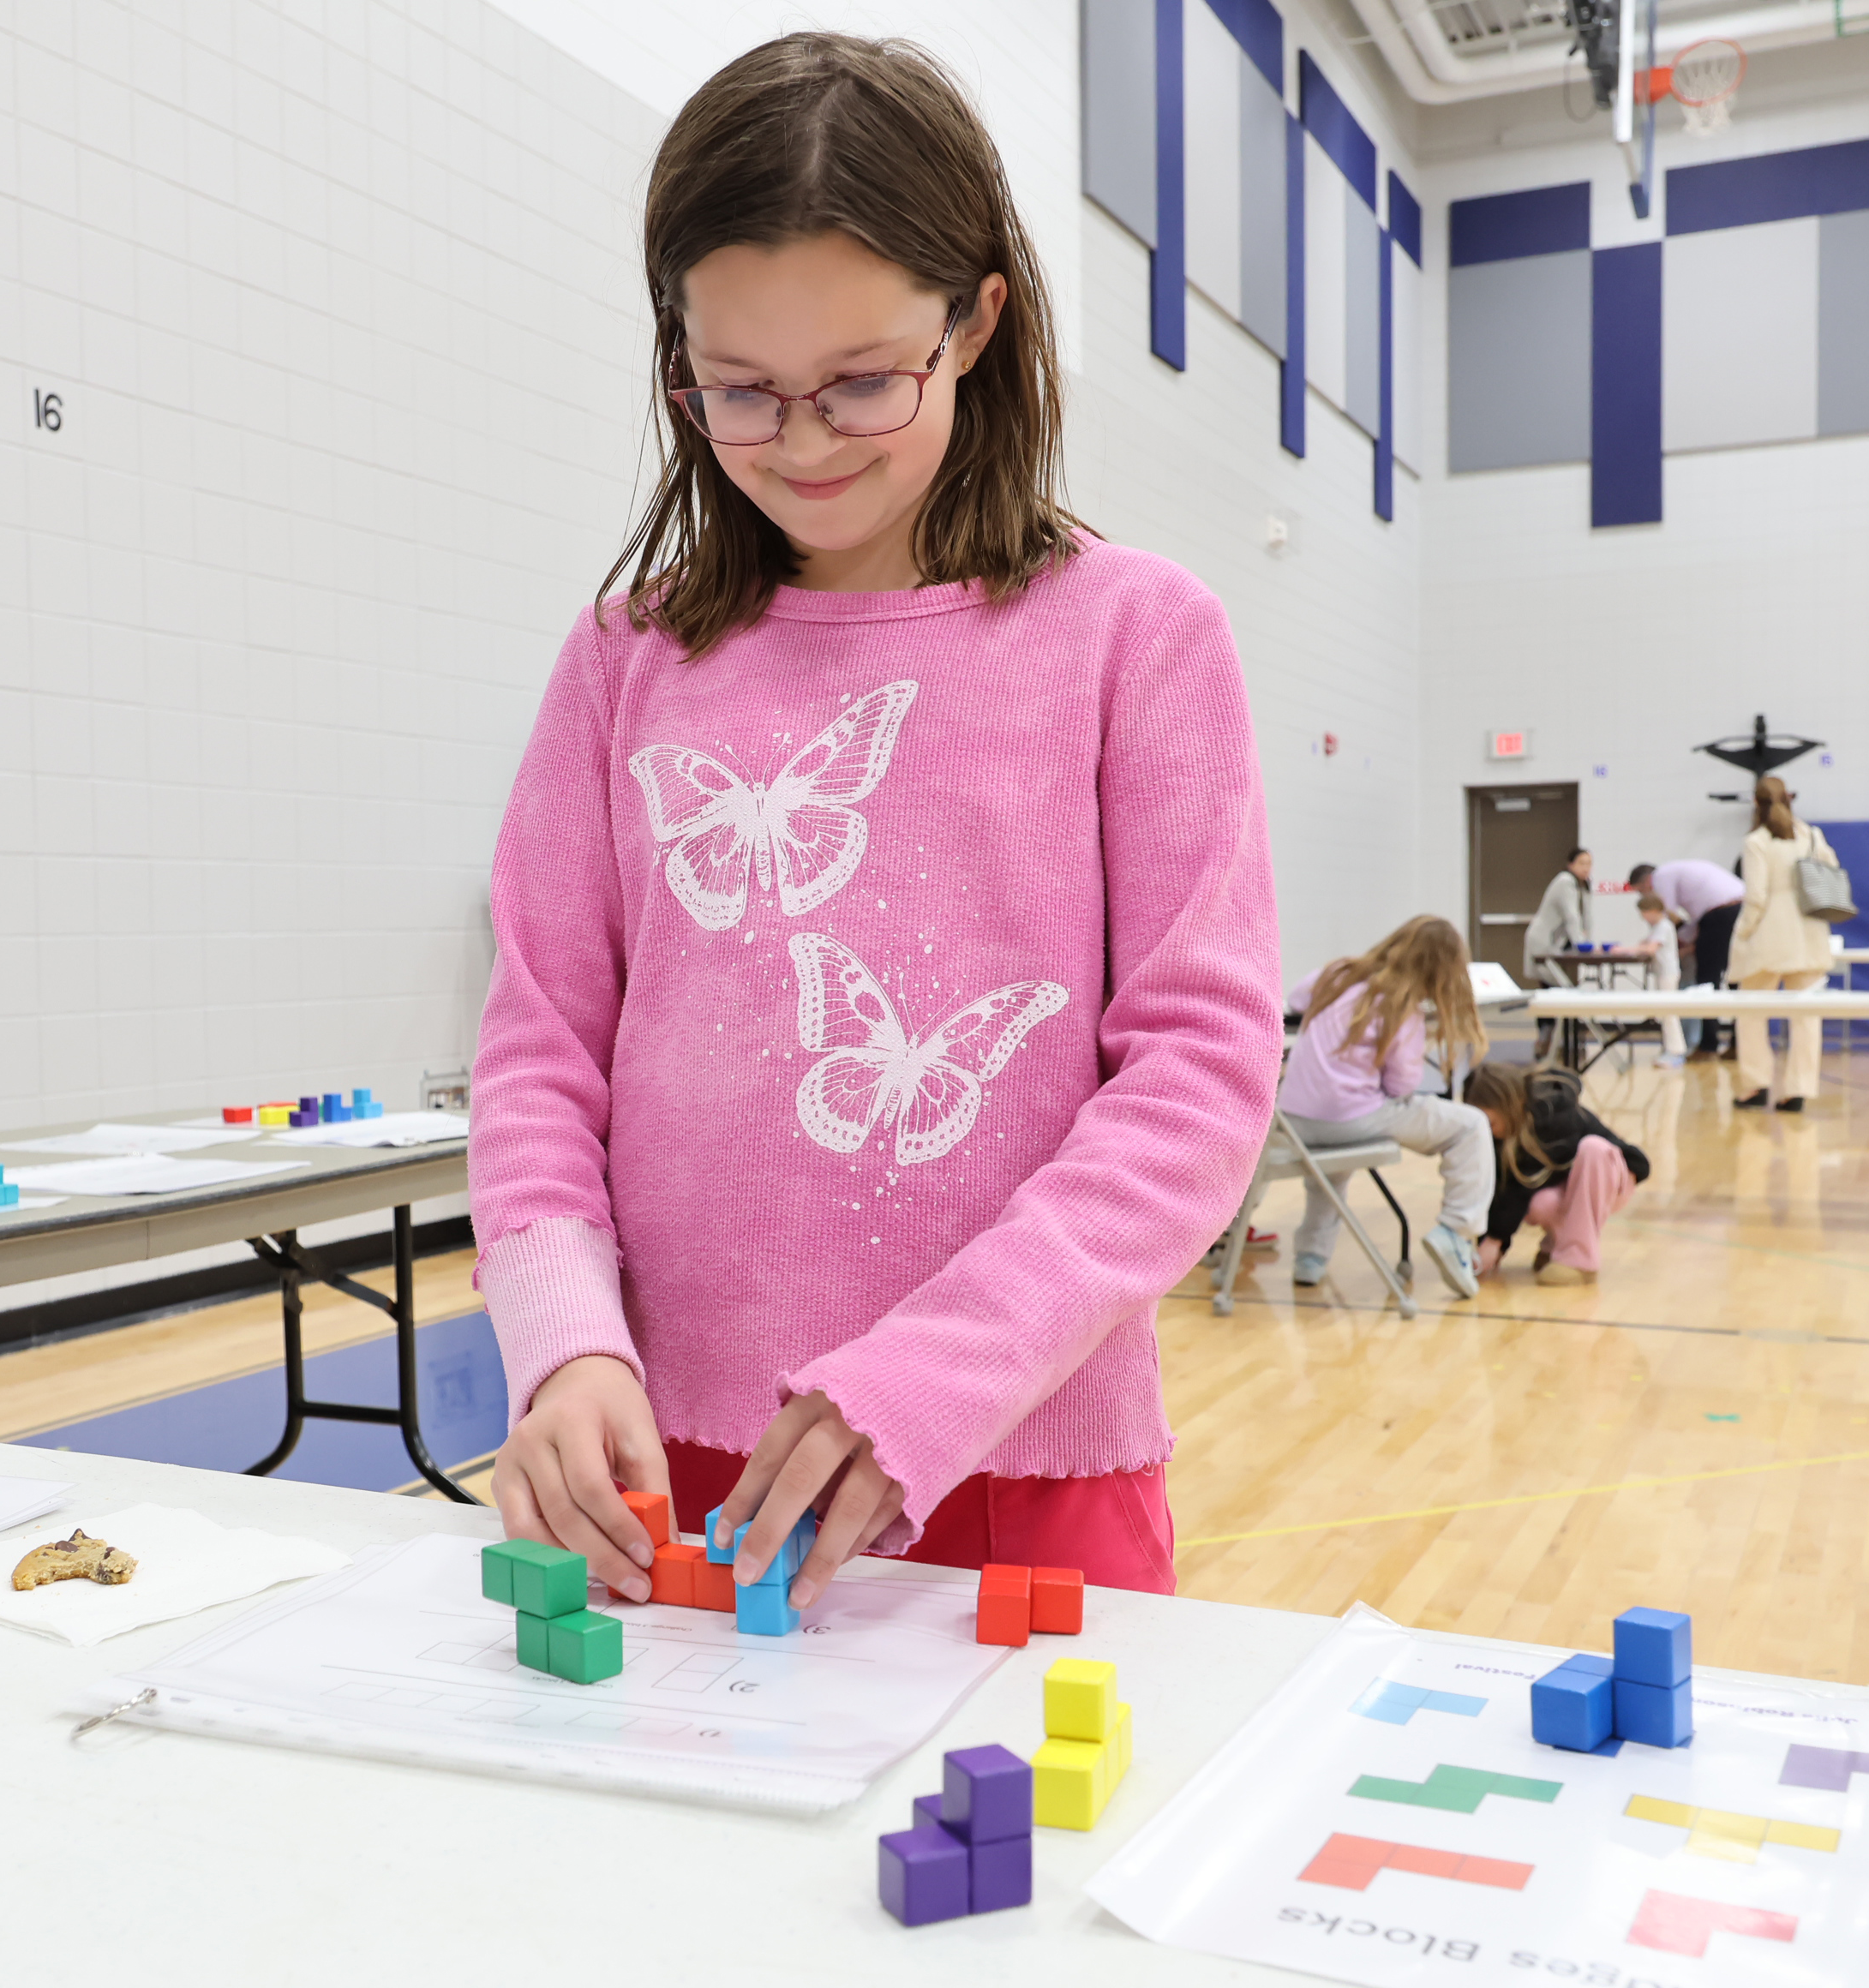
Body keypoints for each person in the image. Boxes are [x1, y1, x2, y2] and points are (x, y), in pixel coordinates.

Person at [467, 36, 1280, 1610]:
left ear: (976, 320)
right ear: (676, 358)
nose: (805, 440)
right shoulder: (628, 659)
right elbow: (538, 1054)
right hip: (668, 1460)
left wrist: (922, 1378)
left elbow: (1193, 1081)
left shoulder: (1134, 635)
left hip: (1026, 1458)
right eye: (739, 391)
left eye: (861, 380)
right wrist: (561, 1337)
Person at [1279, 917, 1492, 1299]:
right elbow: (1401, 1086)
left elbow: (1295, 999)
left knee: (1330, 1169)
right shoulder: (1402, 1009)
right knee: (1471, 1125)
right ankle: (1454, 1231)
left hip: (1293, 1119)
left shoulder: (1339, 975)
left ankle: (1310, 1259)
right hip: (1351, 1119)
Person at [1464, 1063, 1650, 1286]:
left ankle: (1580, 1260)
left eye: (1490, 1123)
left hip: (1613, 1175)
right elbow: (1503, 1190)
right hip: (1571, 1182)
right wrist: (1492, 1247)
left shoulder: (1552, 1113)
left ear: (1511, 1106)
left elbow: (1522, 1185)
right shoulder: (1500, 1136)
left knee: (1593, 1149)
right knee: (1539, 1203)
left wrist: (1495, 1239)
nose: (1485, 1130)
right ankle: (1558, 1245)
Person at [1728, 775, 1839, 1114]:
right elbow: (1832, 869)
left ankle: (1756, 1084)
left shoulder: (1757, 841)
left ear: (1755, 804)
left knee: (1751, 1014)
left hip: (1769, 937)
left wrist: (1742, 933)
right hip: (1810, 932)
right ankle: (1799, 1091)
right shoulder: (1811, 835)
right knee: (1807, 1018)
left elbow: (1756, 897)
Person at [1630, 858, 1745, 1057]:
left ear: (1647, 881)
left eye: (1642, 891)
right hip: (1740, 908)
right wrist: (1690, 942)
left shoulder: (1660, 877)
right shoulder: (1678, 872)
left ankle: (1709, 1045)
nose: (1645, 897)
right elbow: (1689, 927)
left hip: (1720, 914)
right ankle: (1738, 1043)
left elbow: (1664, 916)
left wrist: (1681, 943)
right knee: (1735, 977)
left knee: (1707, 981)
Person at [1524, 847, 1596, 1060]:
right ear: (1570, 864)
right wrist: (1582, 946)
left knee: (1558, 990)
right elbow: (1571, 916)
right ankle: (1546, 1038)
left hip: (1560, 945)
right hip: (1544, 943)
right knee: (1552, 990)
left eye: (1589, 863)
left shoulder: (1583, 886)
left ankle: (1560, 1041)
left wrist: (1587, 943)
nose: (1586, 868)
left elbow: (1586, 920)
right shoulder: (1565, 882)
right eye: (1581, 863)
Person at [1632, 891, 1685, 1068]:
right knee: (1666, 1012)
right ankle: (1670, 1048)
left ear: (1653, 910)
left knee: (1669, 1013)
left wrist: (1622, 950)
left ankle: (1675, 1051)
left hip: (1668, 974)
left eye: (1643, 913)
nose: (1642, 917)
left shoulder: (1664, 925)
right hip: (1663, 973)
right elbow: (1644, 944)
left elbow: (1650, 949)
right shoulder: (1658, 927)